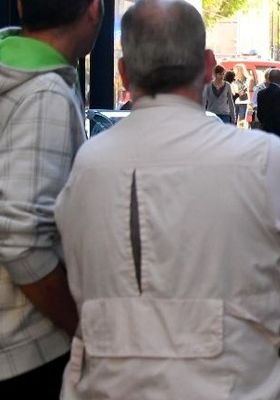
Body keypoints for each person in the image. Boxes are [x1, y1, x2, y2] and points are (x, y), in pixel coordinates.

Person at [55, 1, 280, 399]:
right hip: (242, 384)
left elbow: (76, 268)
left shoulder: (89, 164)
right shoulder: (263, 159)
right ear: (209, 66)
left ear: (123, 73)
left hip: (115, 386)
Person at [0, 0, 103, 398]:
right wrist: (80, 326)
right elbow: (21, 239)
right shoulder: (44, 93)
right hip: (27, 349)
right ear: (94, 10)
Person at [257, 68, 280, 144]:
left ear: (269, 79)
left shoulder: (261, 93)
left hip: (266, 129)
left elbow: (259, 114)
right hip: (279, 131)